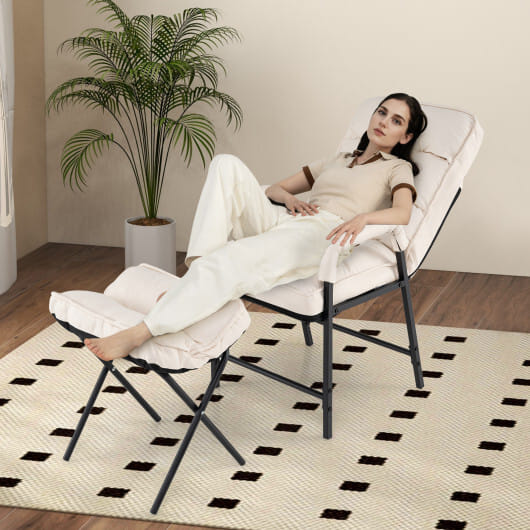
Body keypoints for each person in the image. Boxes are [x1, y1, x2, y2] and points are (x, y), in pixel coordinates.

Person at [84, 92, 428, 361]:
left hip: (323, 234)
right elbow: (275, 189)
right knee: (226, 164)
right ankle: (195, 280)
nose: (383, 121)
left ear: (405, 136)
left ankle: (141, 332)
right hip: (290, 219)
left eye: (396, 120)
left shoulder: (396, 168)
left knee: (232, 256)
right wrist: (290, 199)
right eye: (381, 112)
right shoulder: (339, 159)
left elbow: (402, 213)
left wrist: (364, 218)